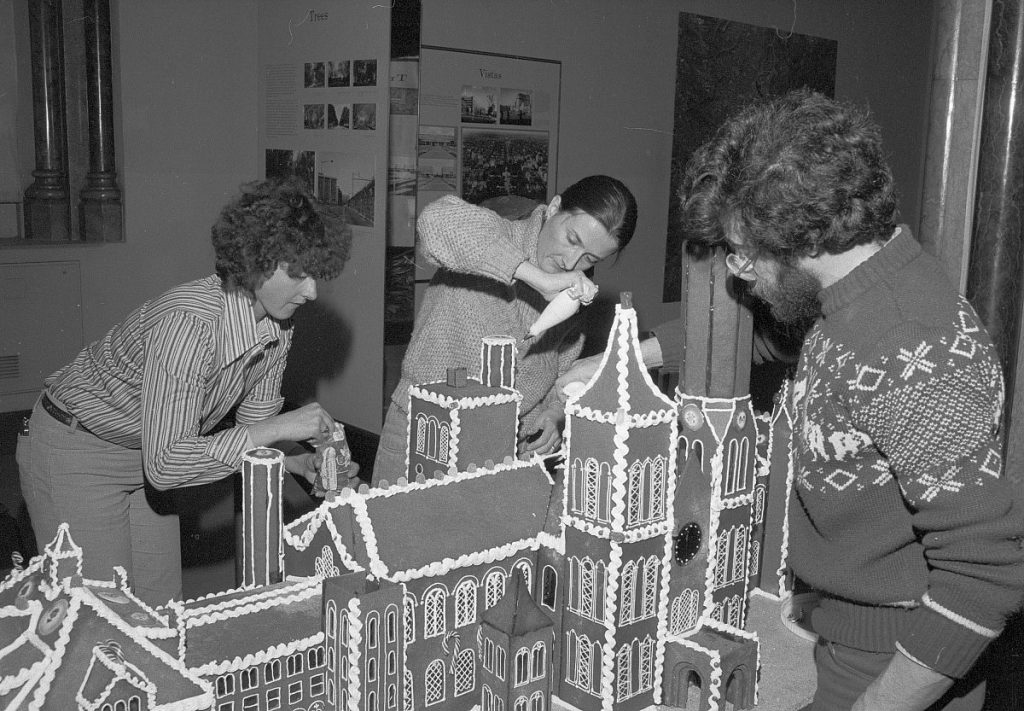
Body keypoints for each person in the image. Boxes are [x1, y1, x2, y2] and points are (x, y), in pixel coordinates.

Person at [674, 89, 1024, 711]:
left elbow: (986, 572)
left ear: (805, 239)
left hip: (891, 663)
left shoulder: (908, 347)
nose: (738, 271)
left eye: (744, 252)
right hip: (848, 635)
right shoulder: (851, 302)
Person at [16, 177, 352, 607]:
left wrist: (295, 462)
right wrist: (285, 424)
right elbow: (168, 463)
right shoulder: (189, 325)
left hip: (148, 454)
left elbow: (252, 433)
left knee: (161, 612)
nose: (312, 292)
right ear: (255, 261)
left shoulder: (278, 326)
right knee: (98, 616)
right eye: (300, 274)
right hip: (76, 449)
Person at [373, 175, 638, 480]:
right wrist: (538, 279)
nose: (571, 262)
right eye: (572, 239)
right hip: (422, 429)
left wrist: (553, 414)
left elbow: (561, 375)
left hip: (499, 450)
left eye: (589, 258)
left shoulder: (573, 302)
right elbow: (435, 222)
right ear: (553, 208)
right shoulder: (498, 234)